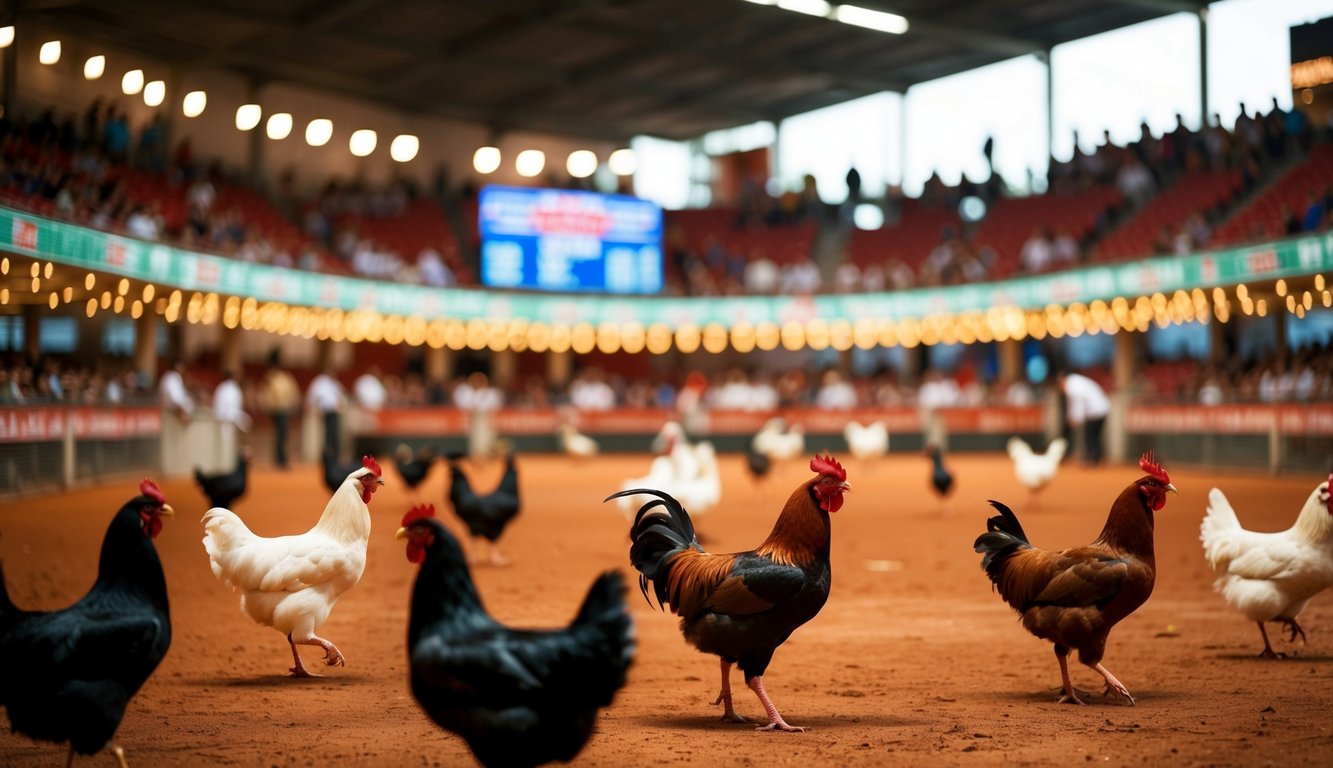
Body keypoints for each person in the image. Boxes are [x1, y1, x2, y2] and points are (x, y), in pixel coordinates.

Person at [1058, 370, 1110, 465]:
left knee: (1091, 435)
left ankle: (1094, 459)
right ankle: (1096, 457)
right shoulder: (1074, 382)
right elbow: (1074, 407)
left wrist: (1074, 420)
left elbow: (1077, 406)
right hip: (1101, 407)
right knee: (1093, 435)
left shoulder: (1072, 387)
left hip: (1097, 409)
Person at [261, 352, 299, 469]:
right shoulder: (272, 377)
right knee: (282, 433)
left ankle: (280, 459)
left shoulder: (280, 377)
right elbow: (268, 394)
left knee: (282, 433)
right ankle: (280, 459)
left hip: (282, 408)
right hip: (277, 409)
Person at [453, 371, 503, 459]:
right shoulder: (467, 392)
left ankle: (487, 455)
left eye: (480, 381)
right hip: (473, 421)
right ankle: (476, 456)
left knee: (487, 439)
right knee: (475, 440)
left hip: (486, 420)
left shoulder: (491, 393)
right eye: (476, 381)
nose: (478, 383)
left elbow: (494, 406)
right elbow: (464, 405)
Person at [307, 365, 346, 457]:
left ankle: (335, 453)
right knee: (328, 433)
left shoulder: (335, 383)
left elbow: (340, 395)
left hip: (334, 411)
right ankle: (328, 453)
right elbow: (313, 394)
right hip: (325, 411)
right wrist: (311, 404)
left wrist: (341, 405)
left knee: (335, 432)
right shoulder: (320, 382)